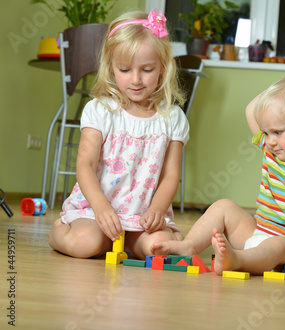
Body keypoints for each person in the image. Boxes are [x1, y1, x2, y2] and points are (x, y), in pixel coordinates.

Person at [151, 59, 285, 279]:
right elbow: (251, 110)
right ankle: (190, 245)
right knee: (223, 206)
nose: (270, 140)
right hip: (259, 232)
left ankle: (236, 260)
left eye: (277, 132)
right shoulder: (272, 150)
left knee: (279, 244)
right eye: (266, 133)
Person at [48, 9, 188, 260]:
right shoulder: (100, 110)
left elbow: (171, 175)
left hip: (141, 214)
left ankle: (132, 243)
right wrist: (101, 208)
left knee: (159, 248)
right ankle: (60, 231)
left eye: (147, 69)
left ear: (162, 68)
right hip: (96, 209)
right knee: (86, 243)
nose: (135, 80)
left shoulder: (173, 118)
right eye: (124, 69)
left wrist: (157, 209)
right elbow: (85, 164)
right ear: (111, 68)